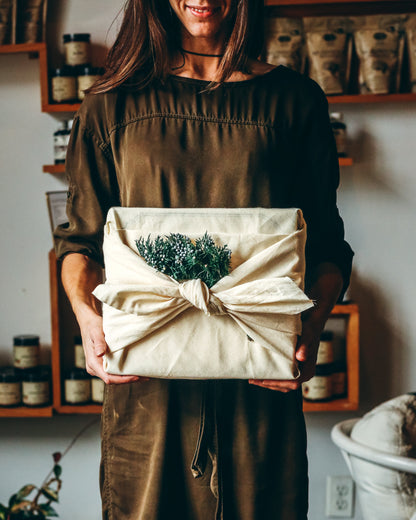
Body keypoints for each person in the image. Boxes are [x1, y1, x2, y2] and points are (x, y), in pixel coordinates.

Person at [54, 1, 354, 518]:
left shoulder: (294, 101)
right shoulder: (112, 102)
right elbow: (79, 243)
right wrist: (88, 319)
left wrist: (311, 326)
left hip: (260, 393)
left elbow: (327, 249)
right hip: (147, 395)